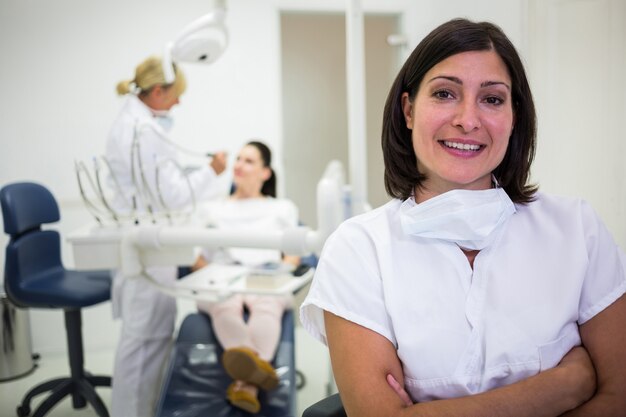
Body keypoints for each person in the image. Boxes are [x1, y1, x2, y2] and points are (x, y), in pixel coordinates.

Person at [300, 18, 626, 416]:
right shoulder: (358, 249)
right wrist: (563, 386)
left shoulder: (577, 230)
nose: (468, 120)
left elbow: (618, 399)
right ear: (408, 109)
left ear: (514, 117)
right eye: (444, 93)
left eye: (491, 99)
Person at [105, 55, 227, 417]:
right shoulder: (144, 132)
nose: (179, 102)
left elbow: (160, 185)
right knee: (144, 341)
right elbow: (170, 195)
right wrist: (211, 171)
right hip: (147, 242)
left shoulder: (136, 124)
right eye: (176, 94)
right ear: (157, 91)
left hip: (149, 239)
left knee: (148, 337)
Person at [192, 141, 300, 414]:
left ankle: (244, 380)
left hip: (264, 278)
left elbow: (292, 255)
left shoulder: (282, 208)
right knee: (224, 305)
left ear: (266, 172)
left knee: (267, 304)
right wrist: (209, 276)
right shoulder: (211, 209)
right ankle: (254, 377)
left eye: (249, 161)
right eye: (238, 159)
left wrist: (280, 275)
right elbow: (196, 256)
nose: (239, 165)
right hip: (221, 278)